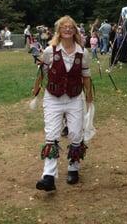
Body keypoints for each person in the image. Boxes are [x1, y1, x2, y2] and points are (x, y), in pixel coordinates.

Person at [36, 15, 93, 192]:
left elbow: (86, 76)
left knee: (76, 133)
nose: (67, 29)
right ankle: (48, 176)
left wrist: (89, 97)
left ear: (75, 31)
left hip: (75, 98)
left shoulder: (82, 52)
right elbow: (42, 71)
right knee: (51, 134)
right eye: (64, 27)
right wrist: (36, 88)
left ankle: (73, 167)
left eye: (71, 27)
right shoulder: (49, 51)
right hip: (52, 98)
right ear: (59, 31)